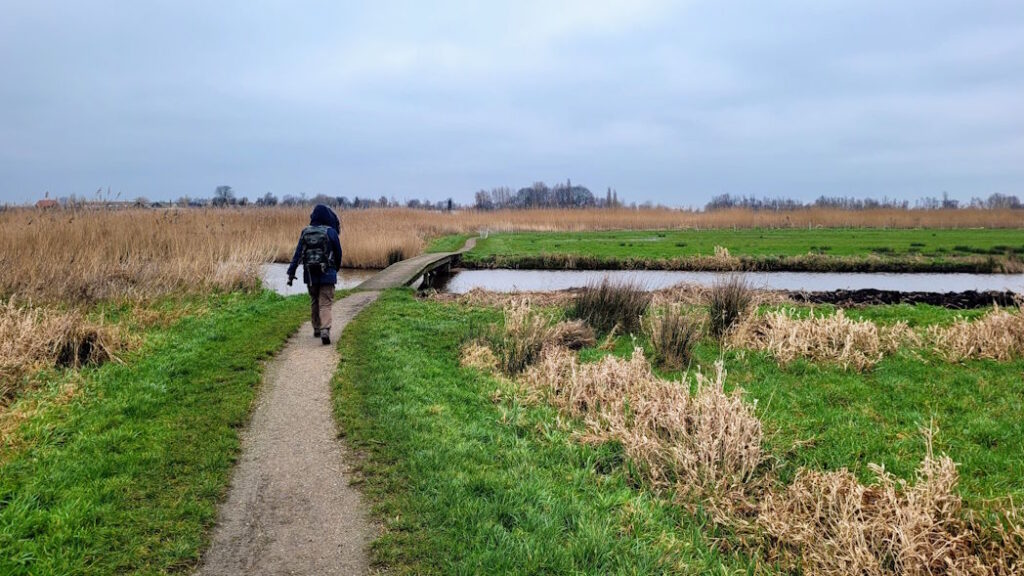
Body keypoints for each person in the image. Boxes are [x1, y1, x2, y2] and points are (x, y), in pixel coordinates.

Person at [287, 204, 343, 344]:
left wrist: (291, 273)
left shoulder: (305, 232)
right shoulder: (331, 232)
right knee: (325, 303)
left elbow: (297, 255)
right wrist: (335, 269)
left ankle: (317, 328)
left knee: (314, 300)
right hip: (328, 273)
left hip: (310, 274)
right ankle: (325, 329)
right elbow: (338, 253)